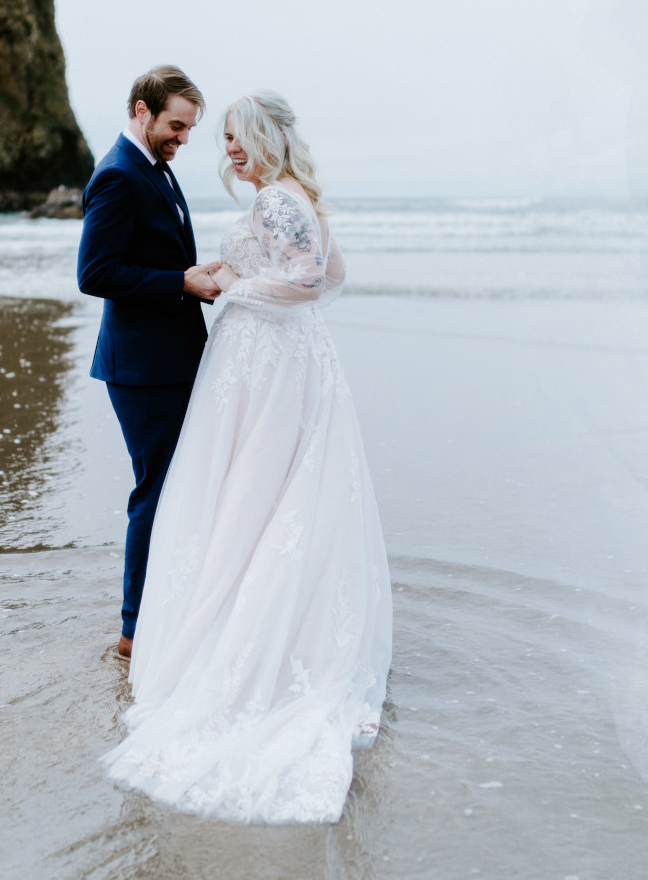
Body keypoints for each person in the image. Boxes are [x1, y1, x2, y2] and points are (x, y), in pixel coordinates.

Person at [101, 92, 393, 823]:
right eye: (220, 137)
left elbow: (299, 280)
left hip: (262, 360)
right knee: (277, 498)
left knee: (249, 497)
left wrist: (234, 287)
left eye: (235, 136)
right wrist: (243, 281)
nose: (226, 148)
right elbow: (329, 276)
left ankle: (237, 639)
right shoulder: (299, 198)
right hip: (290, 360)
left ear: (265, 137)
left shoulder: (275, 203)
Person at [77, 66, 222, 659]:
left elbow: (159, 258)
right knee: (155, 492)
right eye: (176, 126)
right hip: (142, 370)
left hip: (171, 358)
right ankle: (134, 631)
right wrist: (180, 284)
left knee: (177, 488)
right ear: (143, 109)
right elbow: (94, 274)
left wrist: (197, 277)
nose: (182, 139)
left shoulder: (153, 170)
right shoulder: (117, 175)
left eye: (189, 130)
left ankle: (169, 606)